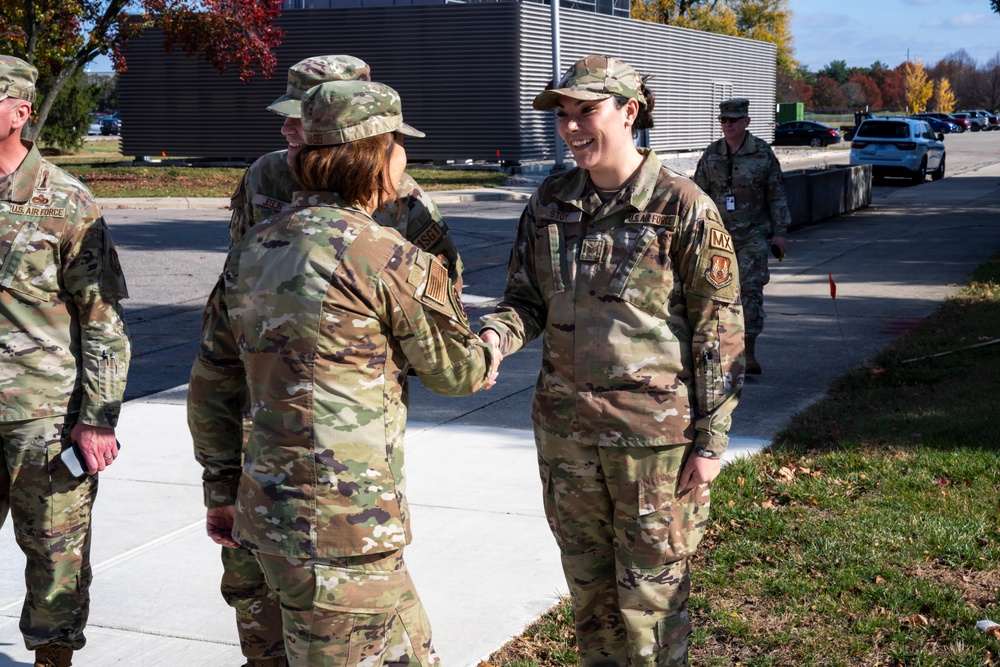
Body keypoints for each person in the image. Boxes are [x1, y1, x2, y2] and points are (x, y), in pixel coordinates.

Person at [188, 79, 494, 667]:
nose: (405, 158)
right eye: (398, 144)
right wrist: (494, 336)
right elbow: (457, 372)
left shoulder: (251, 249)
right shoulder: (383, 255)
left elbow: (212, 382)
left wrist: (222, 490)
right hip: (345, 533)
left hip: (268, 517)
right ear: (374, 155)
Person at [479, 55, 745, 666]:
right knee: (591, 597)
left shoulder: (682, 206)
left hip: (651, 446)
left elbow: (719, 331)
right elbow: (525, 300)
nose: (571, 128)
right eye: (564, 115)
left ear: (629, 111)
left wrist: (710, 443)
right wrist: (495, 338)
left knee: (651, 604)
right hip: (567, 436)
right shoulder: (550, 200)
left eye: (586, 112)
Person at [0, 56, 130, 667]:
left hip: (43, 417)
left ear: (20, 112)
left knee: (56, 553)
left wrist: (98, 417)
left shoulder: (65, 199)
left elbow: (101, 319)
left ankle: (53, 659)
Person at [229, 55, 462, 283]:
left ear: (350, 123)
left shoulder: (401, 192)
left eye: (304, 117)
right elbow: (238, 265)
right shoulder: (264, 173)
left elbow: (443, 284)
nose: (285, 128)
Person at [693, 98, 791, 374]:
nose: (728, 125)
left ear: (746, 121)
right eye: (724, 120)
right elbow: (698, 196)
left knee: (749, 292)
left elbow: (777, 194)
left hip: (753, 235)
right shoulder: (711, 154)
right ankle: (719, 351)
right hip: (718, 238)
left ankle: (748, 353)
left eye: (734, 120)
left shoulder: (762, 153)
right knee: (714, 294)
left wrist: (780, 233)